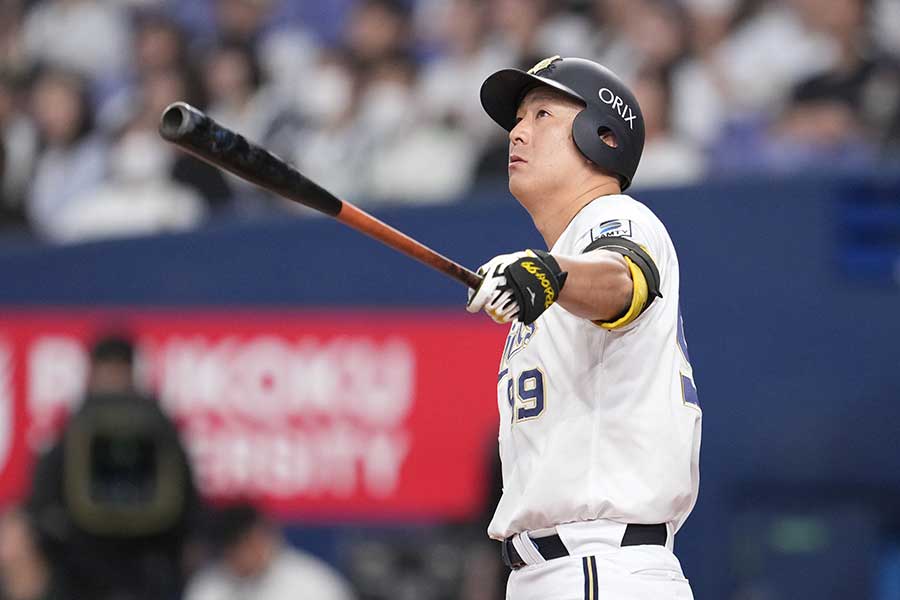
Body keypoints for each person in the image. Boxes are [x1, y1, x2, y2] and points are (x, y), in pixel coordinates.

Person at [466, 56, 701, 599]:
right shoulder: (568, 258)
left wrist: (548, 274)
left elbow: (624, 281)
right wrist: (549, 274)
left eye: (541, 114)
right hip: (563, 570)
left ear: (603, 135)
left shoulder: (616, 216)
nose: (517, 133)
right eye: (516, 120)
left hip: (597, 564)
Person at [184, 503, 355, 600]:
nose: (247, 555)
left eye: (253, 542)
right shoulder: (210, 586)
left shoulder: (312, 584)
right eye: (238, 548)